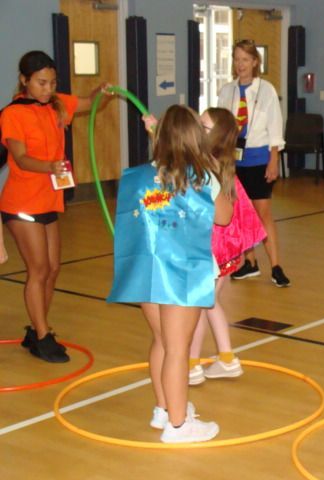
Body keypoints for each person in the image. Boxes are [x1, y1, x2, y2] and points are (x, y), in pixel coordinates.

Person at [108, 105, 233, 443]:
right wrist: (213, 174)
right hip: (184, 274)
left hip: (148, 272)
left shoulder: (138, 176)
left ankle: (164, 410)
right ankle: (179, 426)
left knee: (162, 341)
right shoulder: (202, 177)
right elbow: (224, 217)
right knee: (178, 349)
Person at [0, 50, 111, 363]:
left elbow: (89, 104)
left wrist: (101, 93)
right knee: (37, 270)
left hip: (49, 199)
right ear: (25, 81)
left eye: (52, 82)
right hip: (21, 202)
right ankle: (43, 334)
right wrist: (50, 166)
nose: (48, 89)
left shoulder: (57, 104)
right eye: (41, 83)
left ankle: (37, 330)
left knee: (53, 268)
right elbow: (20, 158)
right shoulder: (13, 114)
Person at [188, 107, 266, 385]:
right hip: (225, 252)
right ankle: (223, 360)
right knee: (209, 304)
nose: (197, 128)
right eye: (198, 122)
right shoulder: (218, 163)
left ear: (217, 136)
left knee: (201, 306)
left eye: (204, 126)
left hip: (215, 252)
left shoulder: (206, 165)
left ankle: (195, 365)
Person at [217, 39, 290, 287]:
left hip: (259, 159)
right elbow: (221, 127)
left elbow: (275, 127)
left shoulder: (266, 90)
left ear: (255, 62)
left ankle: (276, 266)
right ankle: (250, 262)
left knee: (263, 213)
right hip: (233, 161)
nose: (240, 64)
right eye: (237, 59)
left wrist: (274, 160)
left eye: (245, 60)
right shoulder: (227, 91)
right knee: (240, 215)